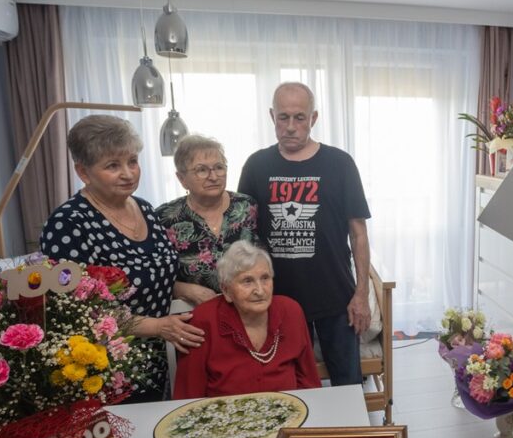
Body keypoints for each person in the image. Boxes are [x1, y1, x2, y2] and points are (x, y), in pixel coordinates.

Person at [40, 115, 205, 401]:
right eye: (112, 166)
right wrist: (156, 326)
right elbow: (74, 311)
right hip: (106, 366)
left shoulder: (144, 208)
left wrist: (183, 287)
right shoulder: (69, 224)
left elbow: (150, 273)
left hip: (157, 357)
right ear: (83, 172)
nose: (128, 173)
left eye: (132, 161)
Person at [237, 82, 372, 386]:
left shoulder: (340, 164)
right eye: (283, 117)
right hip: (277, 299)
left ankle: (350, 435)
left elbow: (358, 233)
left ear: (314, 118)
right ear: (272, 116)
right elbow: (244, 234)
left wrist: (361, 294)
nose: (291, 127)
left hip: (336, 296)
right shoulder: (256, 165)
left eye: (299, 118)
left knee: (348, 383)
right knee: (286, 385)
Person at [173, 241, 320, 398]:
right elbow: (188, 396)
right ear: (226, 290)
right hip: (224, 418)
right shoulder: (203, 321)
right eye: (247, 281)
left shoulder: (291, 311)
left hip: (289, 416)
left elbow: (309, 382)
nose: (260, 290)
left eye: (265, 278)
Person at [155, 135, 265, 305]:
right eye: (202, 170)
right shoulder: (165, 217)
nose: (213, 177)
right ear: (182, 179)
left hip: (248, 309)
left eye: (219, 167)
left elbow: (265, 258)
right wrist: (182, 289)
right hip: (193, 315)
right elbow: (155, 274)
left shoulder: (247, 206)